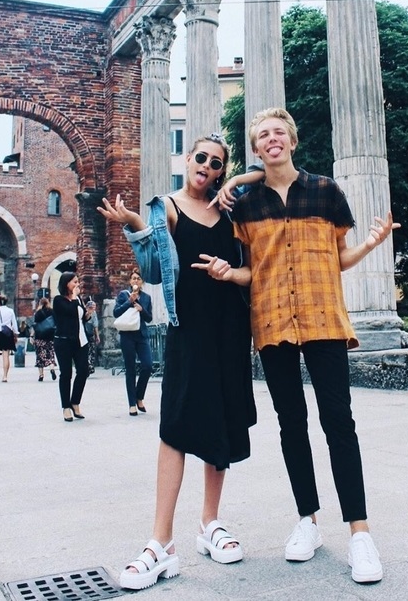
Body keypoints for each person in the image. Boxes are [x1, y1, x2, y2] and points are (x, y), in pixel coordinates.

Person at [225, 107, 399, 584]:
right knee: (291, 425)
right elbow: (250, 271)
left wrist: (369, 244)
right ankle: (308, 521)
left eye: (279, 132)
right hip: (273, 321)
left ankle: (360, 534)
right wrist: (228, 272)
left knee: (339, 423)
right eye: (263, 135)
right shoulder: (245, 206)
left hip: (324, 319)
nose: (272, 139)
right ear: (257, 148)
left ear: (293, 140)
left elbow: (339, 258)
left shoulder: (326, 191)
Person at [98, 133, 255, 590]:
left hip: (230, 327)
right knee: (176, 426)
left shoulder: (232, 207)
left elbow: (271, 176)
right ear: (187, 160)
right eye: (200, 158)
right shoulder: (166, 206)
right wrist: (134, 225)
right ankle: (161, 543)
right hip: (188, 329)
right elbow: (151, 270)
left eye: (217, 163)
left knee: (221, 421)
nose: (207, 165)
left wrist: (239, 179)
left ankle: (211, 523)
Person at [52, 272, 93, 422]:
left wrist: (88, 313)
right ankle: (66, 407)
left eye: (78, 282)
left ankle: (75, 402)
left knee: (83, 371)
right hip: (64, 341)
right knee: (66, 373)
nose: (77, 285)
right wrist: (75, 298)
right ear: (66, 284)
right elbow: (69, 311)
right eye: (74, 282)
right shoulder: (58, 300)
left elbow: (81, 318)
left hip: (80, 341)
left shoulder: (78, 300)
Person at [113, 270, 153, 416]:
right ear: (130, 282)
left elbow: (149, 318)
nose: (136, 281)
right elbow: (116, 313)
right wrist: (129, 302)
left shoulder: (147, 298)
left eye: (138, 279)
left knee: (147, 366)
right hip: (127, 336)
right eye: (133, 279)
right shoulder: (124, 295)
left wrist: (141, 309)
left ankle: (139, 396)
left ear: (141, 282)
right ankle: (132, 404)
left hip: (141, 336)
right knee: (130, 369)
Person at [0, 294, 18, 382]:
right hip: (7, 334)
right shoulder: (10, 311)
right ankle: (5, 376)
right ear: (6, 302)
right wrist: (16, 335)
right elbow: (14, 324)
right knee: (6, 355)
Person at [33, 297, 57, 382]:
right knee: (50, 354)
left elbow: (35, 326)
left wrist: (32, 336)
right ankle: (52, 369)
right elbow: (56, 323)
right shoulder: (52, 312)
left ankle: (41, 375)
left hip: (39, 337)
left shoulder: (38, 313)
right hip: (50, 337)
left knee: (40, 356)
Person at [83, 296, 100, 374]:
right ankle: (89, 366)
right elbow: (95, 325)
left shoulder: (83, 311)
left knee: (87, 350)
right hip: (89, 333)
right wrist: (97, 336)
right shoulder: (92, 313)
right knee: (91, 350)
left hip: (84, 333)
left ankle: (87, 366)